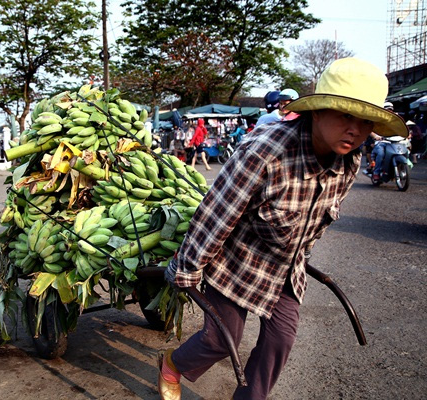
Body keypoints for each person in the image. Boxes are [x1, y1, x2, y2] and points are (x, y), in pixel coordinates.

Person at [157, 57, 407, 400]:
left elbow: (318, 219)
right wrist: (187, 269)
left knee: (281, 340)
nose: (355, 130)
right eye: (345, 116)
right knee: (219, 339)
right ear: (317, 112)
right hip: (236, 259)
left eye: (365, 121)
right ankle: (172, 364)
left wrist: (301, 254)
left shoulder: (350, 159)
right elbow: (217, 212)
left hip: (285, 266)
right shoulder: (267, 150)